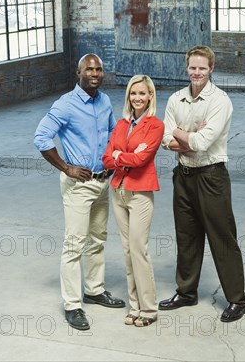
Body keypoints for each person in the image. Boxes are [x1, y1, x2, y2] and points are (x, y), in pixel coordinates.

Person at [34, 53, 125, 331]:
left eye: (99, 69)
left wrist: (110, 161)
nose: (95, 73)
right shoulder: (66, 105)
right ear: (78, 73)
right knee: (74, 244)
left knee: (97, 238)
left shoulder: (105, 100)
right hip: (79, 185)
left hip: (101, 181)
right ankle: (72, 305)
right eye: (89, 69)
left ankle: (94, 290)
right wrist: (66, 168)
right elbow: (41, 137)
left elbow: (112, 132)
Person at [159, 45, 245, 322]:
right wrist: (187, 134)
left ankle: (237, 299)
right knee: (187, 237)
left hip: (211, 177)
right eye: (193, 67)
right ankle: (187, 292)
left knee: (222, 238)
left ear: (211, 69)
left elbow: (202, 142)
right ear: (187, 68)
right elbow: (165, 140)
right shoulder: (176, 99)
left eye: (202, 68)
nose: (197, 72)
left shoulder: (220, 101)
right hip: (183, 175)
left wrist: (181, 135)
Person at [102, 75, 164, 328]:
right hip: (118, 191)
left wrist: (120, 155)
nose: (137, 98)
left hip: (140, 193)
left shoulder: (155, 125)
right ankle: (135, 306)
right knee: (127, 251)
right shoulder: (120, 124)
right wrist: (122, 155)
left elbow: (141, 161)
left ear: (150, 96)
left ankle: (149, 308)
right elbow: (106, 158)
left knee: (139, 249)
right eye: (133, 94)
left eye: (142, 93)